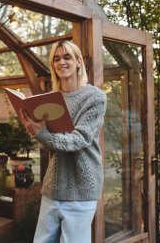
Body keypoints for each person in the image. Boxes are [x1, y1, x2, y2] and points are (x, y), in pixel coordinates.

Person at [19, 40, 107, 243]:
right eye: (56, 59)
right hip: (53, 187)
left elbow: (80, 139)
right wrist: (33, 128)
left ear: (78, 62)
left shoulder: (95, 98)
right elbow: (50, 143)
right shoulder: (50, 99)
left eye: (67, 57)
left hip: (81, 189)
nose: (61, 62)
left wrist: (41, 133)